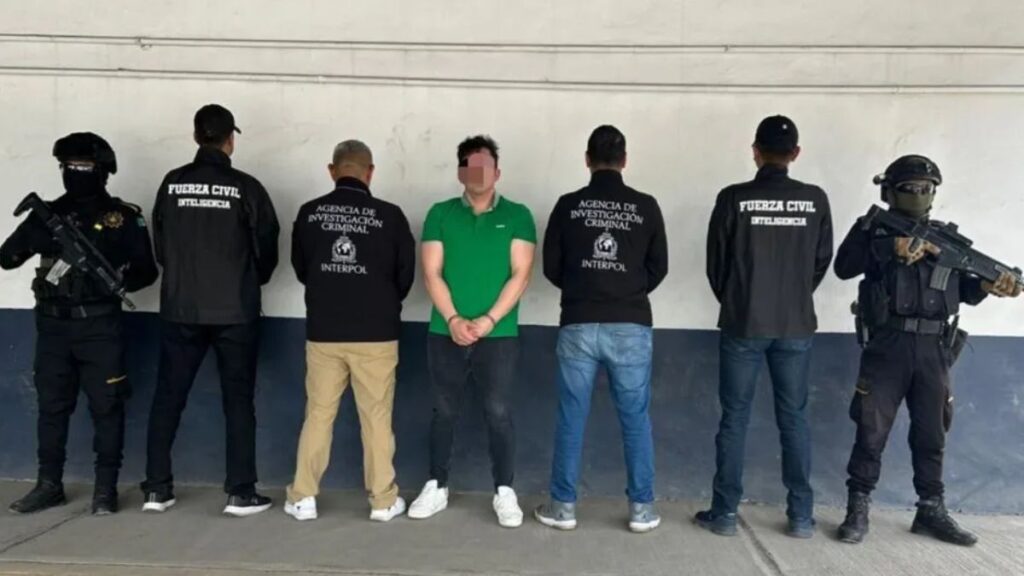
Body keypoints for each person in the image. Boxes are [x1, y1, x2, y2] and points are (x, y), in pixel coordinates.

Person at [834, 155, 1020, 546]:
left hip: (934, 347)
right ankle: (858, 506)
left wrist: (987, 287)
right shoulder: (873, 228)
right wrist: (891, 248)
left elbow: (962, 291)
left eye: (926, 188)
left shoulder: (946, 238)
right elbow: (844, 266)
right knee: (871, 429)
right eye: (910, 188)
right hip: (888, 345)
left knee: (932, 433)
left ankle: (931, 509)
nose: (918, 194)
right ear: (889, 192)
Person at [1, 132, 158, 515]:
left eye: (84, 166)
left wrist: (115, 279)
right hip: (53, 327)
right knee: (52, 407)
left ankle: (105, 489)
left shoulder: (123, 217)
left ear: (103, 170)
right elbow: (7, 258)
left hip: (100, 326)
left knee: (108, 407)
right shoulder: (48, 215)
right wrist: (41, 239)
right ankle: (48, 484)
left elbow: (147, 272)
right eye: (69, 166)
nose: (76, 172)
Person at [697, 115, 833, 538]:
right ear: (795, 154)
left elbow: (716, 264)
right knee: (794, 419)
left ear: (755, 151)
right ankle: (801, 516)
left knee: (734, 419)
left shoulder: (733, 198)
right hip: (795, 324)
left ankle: (724, 514)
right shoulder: (815, 200)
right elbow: (820, 262)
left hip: (744, 323)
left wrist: (737, 301)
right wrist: (794, 296)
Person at [142, 104, 280, 517]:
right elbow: (267, 246)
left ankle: (156, 490)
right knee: (238, 401)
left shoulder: (172, 183)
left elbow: (161, 246)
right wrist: (250, 280)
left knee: (168, 398)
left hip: (181, 307)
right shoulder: (246, 187)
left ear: (195, 136)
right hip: (235, 311)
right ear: (230, 140)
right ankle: (241, 492)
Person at [533, 125, 669, 533]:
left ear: (587, 159)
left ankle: (562, 508)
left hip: (578, 321)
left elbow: (552, 267)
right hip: (630, 324)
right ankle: (642, 510)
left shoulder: (568, 205)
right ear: (624, 161)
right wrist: (626, 291)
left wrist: (583, 290)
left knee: (571, 416)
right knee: (635, 419)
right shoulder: (646, 206)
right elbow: (658, 267)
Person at [283, 140, 415, 522]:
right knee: (376, 417)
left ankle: (303, 497)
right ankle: (383, 501)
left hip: (324, 331)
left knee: (318, 415)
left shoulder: (310, 213)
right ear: (370, 172)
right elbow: (404, 276)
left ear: (332, 170)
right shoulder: (390, 216)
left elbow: (302, 269)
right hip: (376, 333)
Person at [408, 135, 536, 528]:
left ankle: (505, 490)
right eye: (471, 165)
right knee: (443, 410)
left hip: (498, 334)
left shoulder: (517, 215)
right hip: (444, 331)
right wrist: (453, 320)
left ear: (497, 172)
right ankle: (437, 485)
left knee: (498, 411)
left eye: (486, 166)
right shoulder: (440, 214)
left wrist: (489, 320)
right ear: (461, 172)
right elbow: (431, 273)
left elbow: (521, 274)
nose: (479, 173)